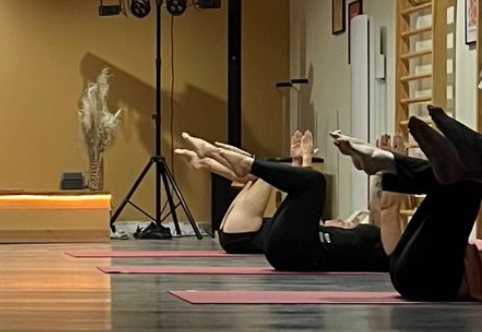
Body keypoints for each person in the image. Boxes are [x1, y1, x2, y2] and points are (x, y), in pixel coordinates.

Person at [179, 130, 400, 272]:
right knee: (296, 181)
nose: (344, 221)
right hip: (285, 247)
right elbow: (379, 206)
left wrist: (396, 166)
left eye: (346, 223)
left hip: (297, 252)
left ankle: (240, 162)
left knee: (314, 182)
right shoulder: (375, 235)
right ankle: (220, 158)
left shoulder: (390, 250)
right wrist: (380, 170)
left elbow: (389, 207)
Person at [348, 106, 482, 302]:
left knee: (468, 179)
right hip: (414, 268)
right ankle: (394, 164)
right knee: (455, 175)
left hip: (434, 277)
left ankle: (394, 164)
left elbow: (387, 213)